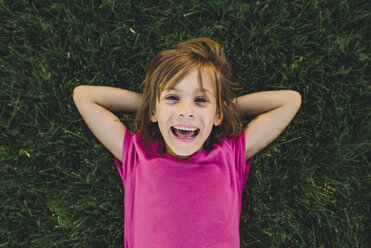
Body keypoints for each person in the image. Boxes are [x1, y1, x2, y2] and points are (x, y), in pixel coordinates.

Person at [73, 37, 301, 248]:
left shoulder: (228, 157)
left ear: (218, 115)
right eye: (173, 98)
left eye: (200, 100)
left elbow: (289, 101)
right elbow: (84, 96)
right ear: (153, 109)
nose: (186, 111)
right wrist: (153, 106)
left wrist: (221, 110)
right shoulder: (138, 155)